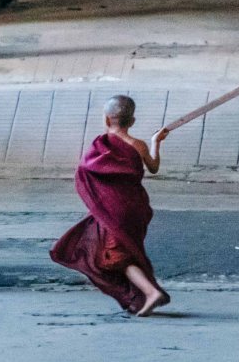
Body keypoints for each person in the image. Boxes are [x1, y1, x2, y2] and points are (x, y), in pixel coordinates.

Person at [50, 94, 170, 317]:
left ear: (106, 120)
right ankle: (143, 294)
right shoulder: (139, 145)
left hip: (113, 210)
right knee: (126, 250)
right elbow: (153, 167)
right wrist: (156, 143)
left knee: (116, 257)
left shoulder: (100, 147)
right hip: (136, 207)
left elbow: (84, 172)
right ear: (132, 121)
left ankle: (150, 292)